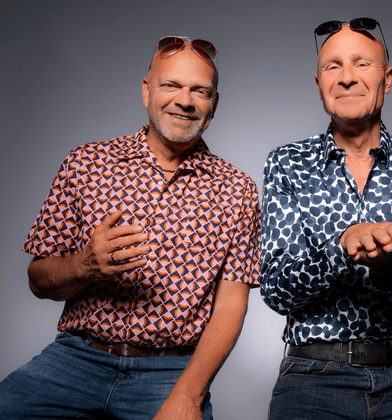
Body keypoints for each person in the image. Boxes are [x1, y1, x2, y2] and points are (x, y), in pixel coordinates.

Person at [0, 36, 260, 420]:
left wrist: (188, 395)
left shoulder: (238, 189)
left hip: (170, 371)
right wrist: (84, 265)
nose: (185, 101)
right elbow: (38, 280)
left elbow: (230, 307)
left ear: (214, 104)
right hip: (77, 358)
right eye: (171, 85)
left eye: (200, 91)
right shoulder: (86, 164)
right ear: (146, 91)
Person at [260, 18, 392, 420]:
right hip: (312, 375)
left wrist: (391, 269)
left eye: (362, 64)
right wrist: (341, 247)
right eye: (333, 66)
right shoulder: (286, 164)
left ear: (387, 78)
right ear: (319, 84)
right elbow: (276, 290)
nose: (347, 77)